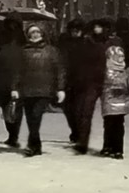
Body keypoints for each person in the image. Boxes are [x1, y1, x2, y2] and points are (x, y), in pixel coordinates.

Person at [8, 21, 65, 157]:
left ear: (42, 34)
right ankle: (36, 146)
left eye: (37, 32)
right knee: (30, 118)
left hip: (45, 89)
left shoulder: (51, 51)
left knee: (36, 116)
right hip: (27, 90)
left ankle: (31, 144)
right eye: (31, 33)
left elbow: (60, 71)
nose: (34, 35)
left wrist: (60, 88)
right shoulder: (23, 52)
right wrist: (14, 88)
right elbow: (17, 71)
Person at [63, 21, 105, 154]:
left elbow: (99, 64)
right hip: (70, 83)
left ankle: (82, 142)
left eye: (78, 30)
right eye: (73, 30)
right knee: (71, 112)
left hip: (87, 84)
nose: (75, 32)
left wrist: (97, 80)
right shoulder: (65, 44)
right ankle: (77, 134)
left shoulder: (91, 45)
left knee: (84, 113)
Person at [100, 25, 129, 159]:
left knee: (109, 123)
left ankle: (109, 146)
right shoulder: (124, 70)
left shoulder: (106, 69)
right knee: (118, 124)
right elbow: (126, 87)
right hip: (120, 101)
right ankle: (117, 148)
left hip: (109, 99)